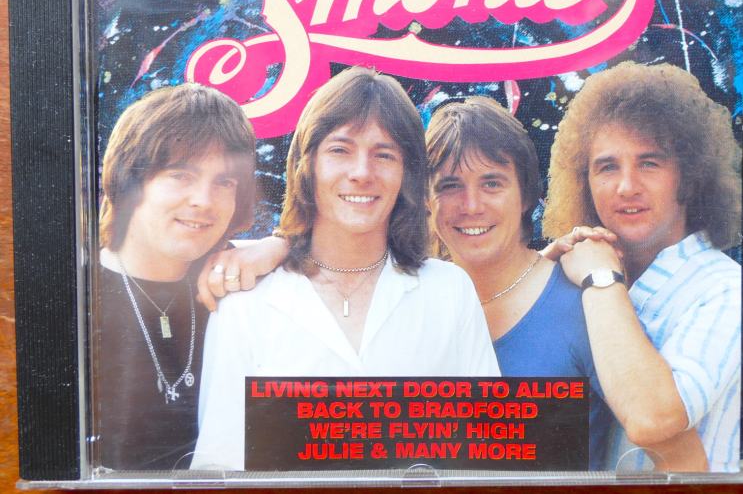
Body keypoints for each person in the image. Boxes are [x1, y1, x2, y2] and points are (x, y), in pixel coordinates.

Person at [191, 67, 499, 471]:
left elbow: (486, 454)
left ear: (407, 173)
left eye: (384, 155)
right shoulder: (246, 298)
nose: (361, 173)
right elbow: (218, 467)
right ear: (307, 164)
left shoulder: (449, 290)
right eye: (340, 150)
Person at [542, 61, 741, 472]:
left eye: (649, 163)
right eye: (607, 166)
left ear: (688, 176)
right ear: (584, 182)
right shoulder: (584, 273)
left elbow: (652, 419)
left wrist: (601, 280)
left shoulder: (725, 289)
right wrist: (543, 275)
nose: (626, 186)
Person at [424, 96, 614, 470]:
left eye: (492, 183)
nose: (471, 205)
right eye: (449, 185)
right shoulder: (414, 307)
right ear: (425, 200)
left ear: (527, 195)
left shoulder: (585, 308)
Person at [95, 83, 257, 470]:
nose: (203, 200)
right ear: (130, 181)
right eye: (180, 175)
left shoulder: (237, 283)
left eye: (224, 182)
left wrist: (277, 247)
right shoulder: (77, 295)